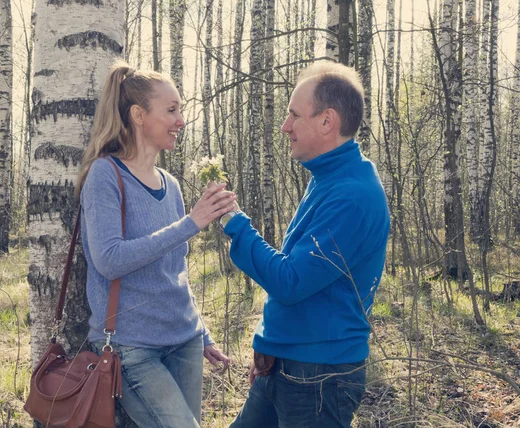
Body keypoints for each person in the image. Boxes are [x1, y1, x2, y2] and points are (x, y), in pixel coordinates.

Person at [221, 61, 390, 427]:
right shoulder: (329, 177)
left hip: (319, 377)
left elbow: (291, 280)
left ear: (327, 121)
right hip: (288, 363)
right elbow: (303, 275)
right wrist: (270, 346)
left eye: (294, 116)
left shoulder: (352, 195)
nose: (285, 127)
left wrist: (234, 223)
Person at [76, 59, 235, 428]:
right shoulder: (105, 175)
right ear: (138, 115)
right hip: (131, 348)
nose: (181, 120)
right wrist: (190, 223)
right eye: (172, 110)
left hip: (185, 341)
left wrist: (203, 333)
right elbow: (109, 259)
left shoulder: (171, 184)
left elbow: (175, 270)